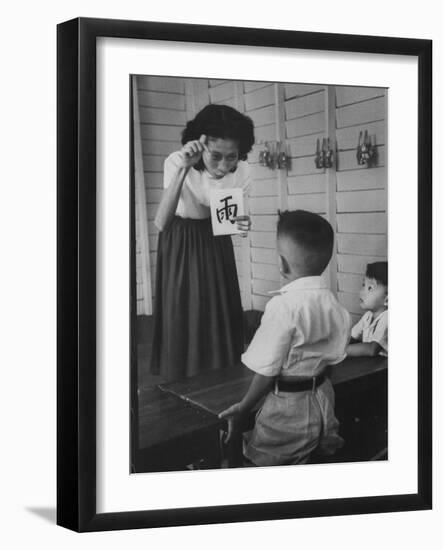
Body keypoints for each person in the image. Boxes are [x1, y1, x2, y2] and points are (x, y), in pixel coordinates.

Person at [219, 210, 352, 466]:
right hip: (324, 399)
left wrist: (244, 407)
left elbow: (267, 370)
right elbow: (335, 358)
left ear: (282, 263)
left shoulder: (283, 306)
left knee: (265, 464)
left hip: (287, 408)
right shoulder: (335, 305)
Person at [150, 104, 255, 382]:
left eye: (231, 157)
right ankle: (185, 378)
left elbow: (227, 222)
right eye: (216, 156)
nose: (224, 166)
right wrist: (185, 169)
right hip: (181, 238)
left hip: (215, 241)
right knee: (187, 306)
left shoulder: (242, 170)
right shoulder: (176, 160)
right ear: (200, 143)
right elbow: (161, 221)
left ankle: (220, 376)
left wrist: (243, 221)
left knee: (217, 306)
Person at [346, 262, 388, 357]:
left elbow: (372, 349)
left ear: (387, 300)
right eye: (363, 285)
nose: (362, 291)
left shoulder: (387, 317)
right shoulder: (368, 316)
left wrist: (338, 352)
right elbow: (351, 338)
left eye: (370, 288)